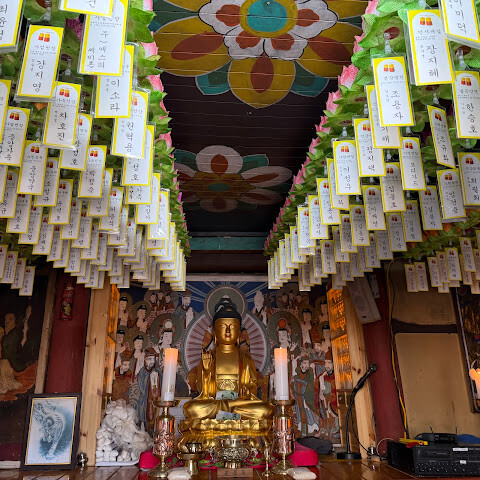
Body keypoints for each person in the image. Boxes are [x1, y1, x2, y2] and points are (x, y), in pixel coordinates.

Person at [183, 298, 274, 426]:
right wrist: (206, 372)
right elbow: (202, 393)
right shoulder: (209, 357)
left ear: (238, 334)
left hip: (238, 404)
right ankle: (234, 419)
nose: (227, 331)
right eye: (222, 327)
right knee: (191, 408)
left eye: (232, 327)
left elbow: (252, 386)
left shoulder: (245, 358)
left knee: (265, 410)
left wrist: (247, 391)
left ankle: (221, 418)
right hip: (215, 404)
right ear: (214, 333)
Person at [292, 358, 320, 436]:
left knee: (308, 410)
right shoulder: (297, 371)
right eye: (304, 363)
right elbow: (293, 380)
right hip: (298, 396)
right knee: (300, 411)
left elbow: (312, 382)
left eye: (307, 363)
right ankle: (301, 428)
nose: (306, 365)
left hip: (307, 395)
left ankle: (312, 426)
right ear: (301, 364)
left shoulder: (310, 371)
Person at [136, 348, 161, 431]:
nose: (152, 361)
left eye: (154, 359)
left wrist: (156, 377)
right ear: (145, 359)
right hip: (144, 400)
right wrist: (150, 378)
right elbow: (142, 387)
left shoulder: (157, 372)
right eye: (149, 359)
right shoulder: (142, 372)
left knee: (153, 419)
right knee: (142, 417)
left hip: (154, 401)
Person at [1, 307, 32, 372]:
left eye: (10, 319)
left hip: (14, 364)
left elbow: (9, 352)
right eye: (6, 319)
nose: (7, 322)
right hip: (7, 362)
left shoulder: (15, 334)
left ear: (15, 321)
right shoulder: (7, 334)